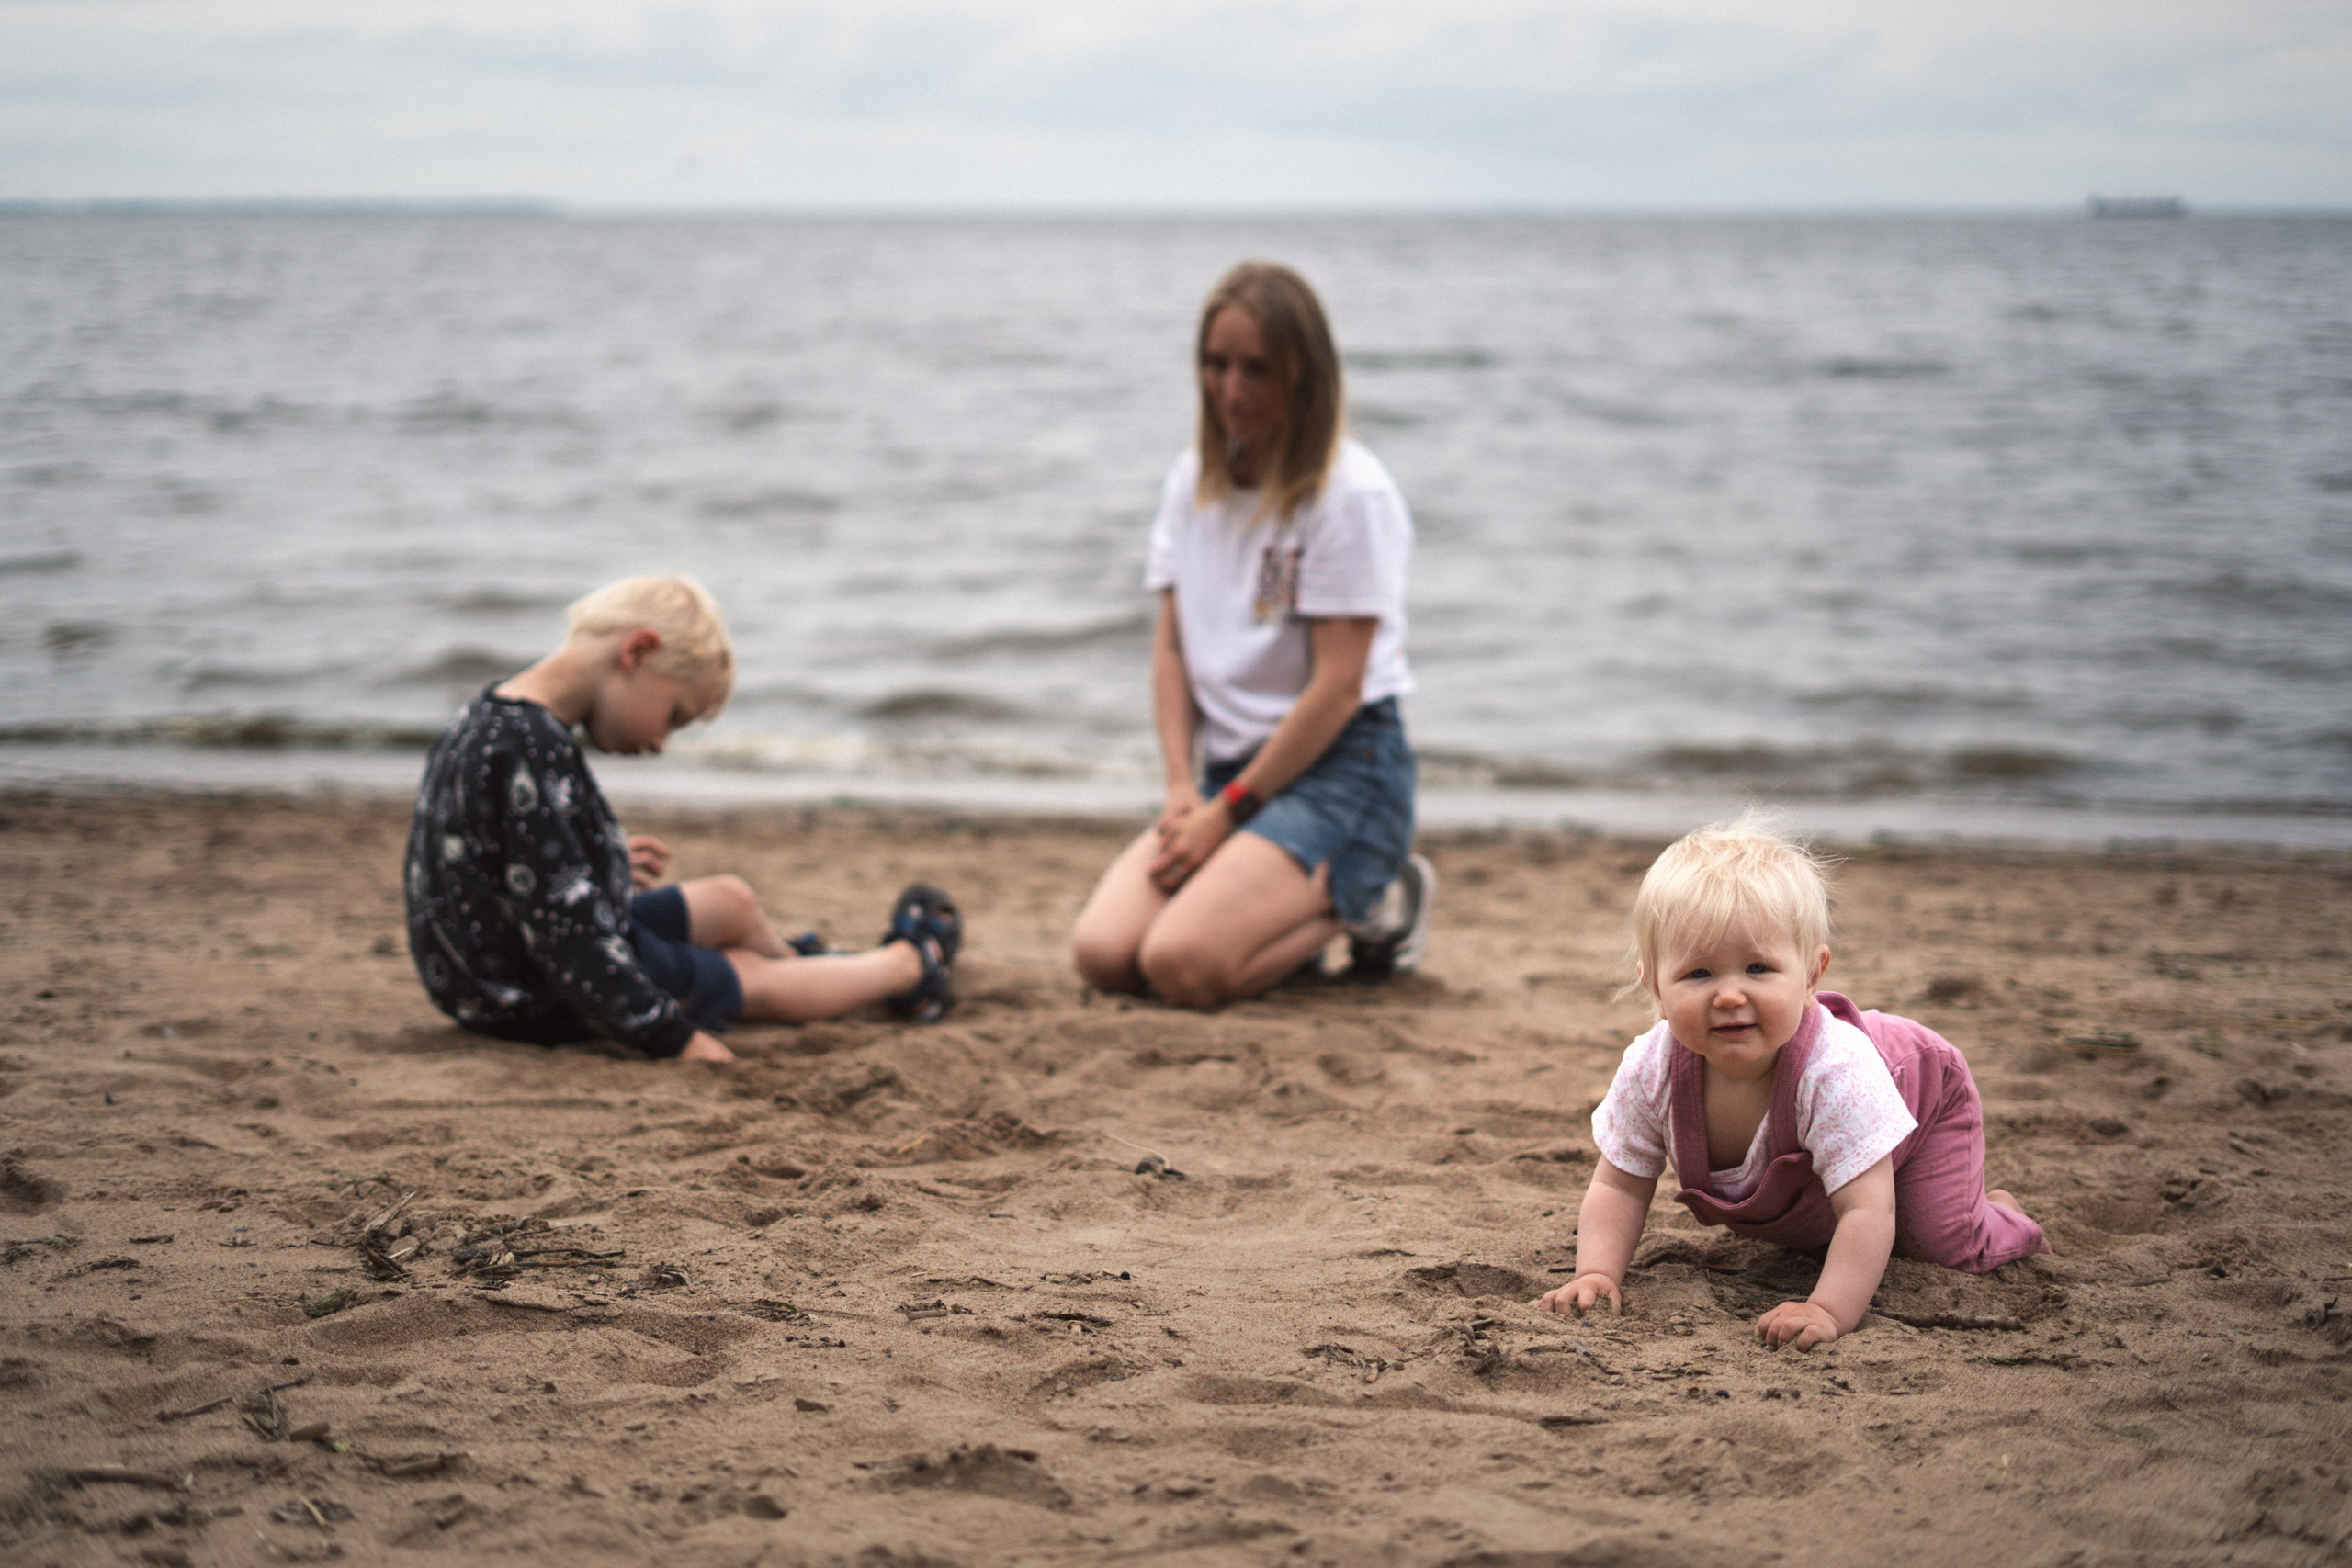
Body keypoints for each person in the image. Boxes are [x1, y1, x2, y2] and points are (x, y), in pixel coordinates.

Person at [1070, 261, 1434, 1009]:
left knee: (1181, 965)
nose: (1231, 388)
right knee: (1105, 953)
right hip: (1231, 772)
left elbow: (1338, 688)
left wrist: (1223, 814)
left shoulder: (1349, 495)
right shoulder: (1192, 483)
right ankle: (1272, 902)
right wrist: (1181, 790)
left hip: (1343, 770)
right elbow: (1172, 649)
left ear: (1304, 375)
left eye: (1257, 369)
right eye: (1216, 364)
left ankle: (1370, 898)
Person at [403, 574, 960, 1063]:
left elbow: (499, 858)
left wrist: (606, 862)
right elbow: (569, 944)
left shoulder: (492, 717)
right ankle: (909, 965)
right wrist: (674, 1038)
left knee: (731, 899)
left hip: (489, 966)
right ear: (637, 652)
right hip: (528, 989)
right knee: (750, 974)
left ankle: (819, 968)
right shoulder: (531, 747)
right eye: (672, 716)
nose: (661, 743)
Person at [1538, 816, 2045, 1349]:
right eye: (1699, 974)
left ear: (1811, 977)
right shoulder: (1652, 1068)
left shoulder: (1834, 1070)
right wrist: (1597, 1272)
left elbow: (1868, 1210)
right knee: (1824, 1229)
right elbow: (1619, 1184)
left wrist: (1827, 1309)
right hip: (1833, 1157)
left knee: (1941, 1244)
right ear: (1656, 987)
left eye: (1757, 968)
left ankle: (2003, 1216)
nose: (1729, 995)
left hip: (1923, 1093)